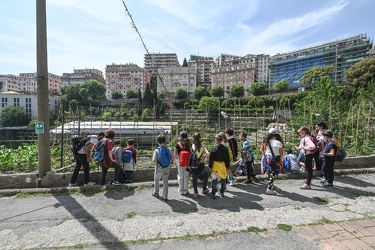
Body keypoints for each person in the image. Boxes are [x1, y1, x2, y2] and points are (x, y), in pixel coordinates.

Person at [152, 134, 174, 201]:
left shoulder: (157, 151)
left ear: (158, 142)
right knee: (165, 181)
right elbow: (172, 157)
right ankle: (165, 197)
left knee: (156, 179)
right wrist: (168, 162)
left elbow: (154, 161)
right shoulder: (168, 149)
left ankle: (156, 192)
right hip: (167, 167)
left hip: (159, 168)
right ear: (165, 141)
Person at [208, 133, 230, 199]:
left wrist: (210, 167)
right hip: (222, 165)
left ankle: (213, 193)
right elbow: (227, 158)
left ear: (216, 140)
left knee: (214, 179)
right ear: (222, 140)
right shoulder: (225, 149)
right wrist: (227, 166)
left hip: (215, 165)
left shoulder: (213, 149)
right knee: (223, 178)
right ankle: (222, 192)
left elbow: (211, 159)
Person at [262, 130, 284, 195]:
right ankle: (269, 189)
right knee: (273, 173)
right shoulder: (279, 143)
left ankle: (270, 185)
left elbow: (265, 151)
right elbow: (281, 153)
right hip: (274, 159)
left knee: (269, 172)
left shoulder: (267, 142)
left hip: (267, 158)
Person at [190, 132, 210, 197]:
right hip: (200, 164)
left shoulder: (191, 146)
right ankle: (204, 188)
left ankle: (195, 192)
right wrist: (203, 157)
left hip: (193, 164)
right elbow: (208, 154)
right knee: (206, 174)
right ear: (200, 138)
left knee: (194, 178)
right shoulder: (202, 147)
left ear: (193, 138)